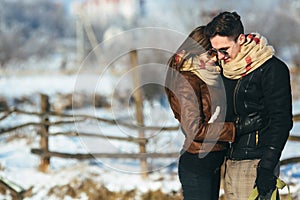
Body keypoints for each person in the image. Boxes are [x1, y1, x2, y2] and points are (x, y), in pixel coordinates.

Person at [204, 11, 293, 200]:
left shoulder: (271, 69)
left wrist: (267, 166)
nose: (220, 56)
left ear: (241, 39)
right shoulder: (224, 71)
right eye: (215, 50)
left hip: (257, 161)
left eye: (224, 50)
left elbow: (281, 120)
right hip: (231, 160)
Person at [165, 26, 235, 200]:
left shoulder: (208, 76)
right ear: (194, 53)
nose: (215, 59)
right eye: (210, 54)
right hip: (197, 166)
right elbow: (195, 129)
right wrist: (235, 129)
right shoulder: (187, 81)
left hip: (211, 162)